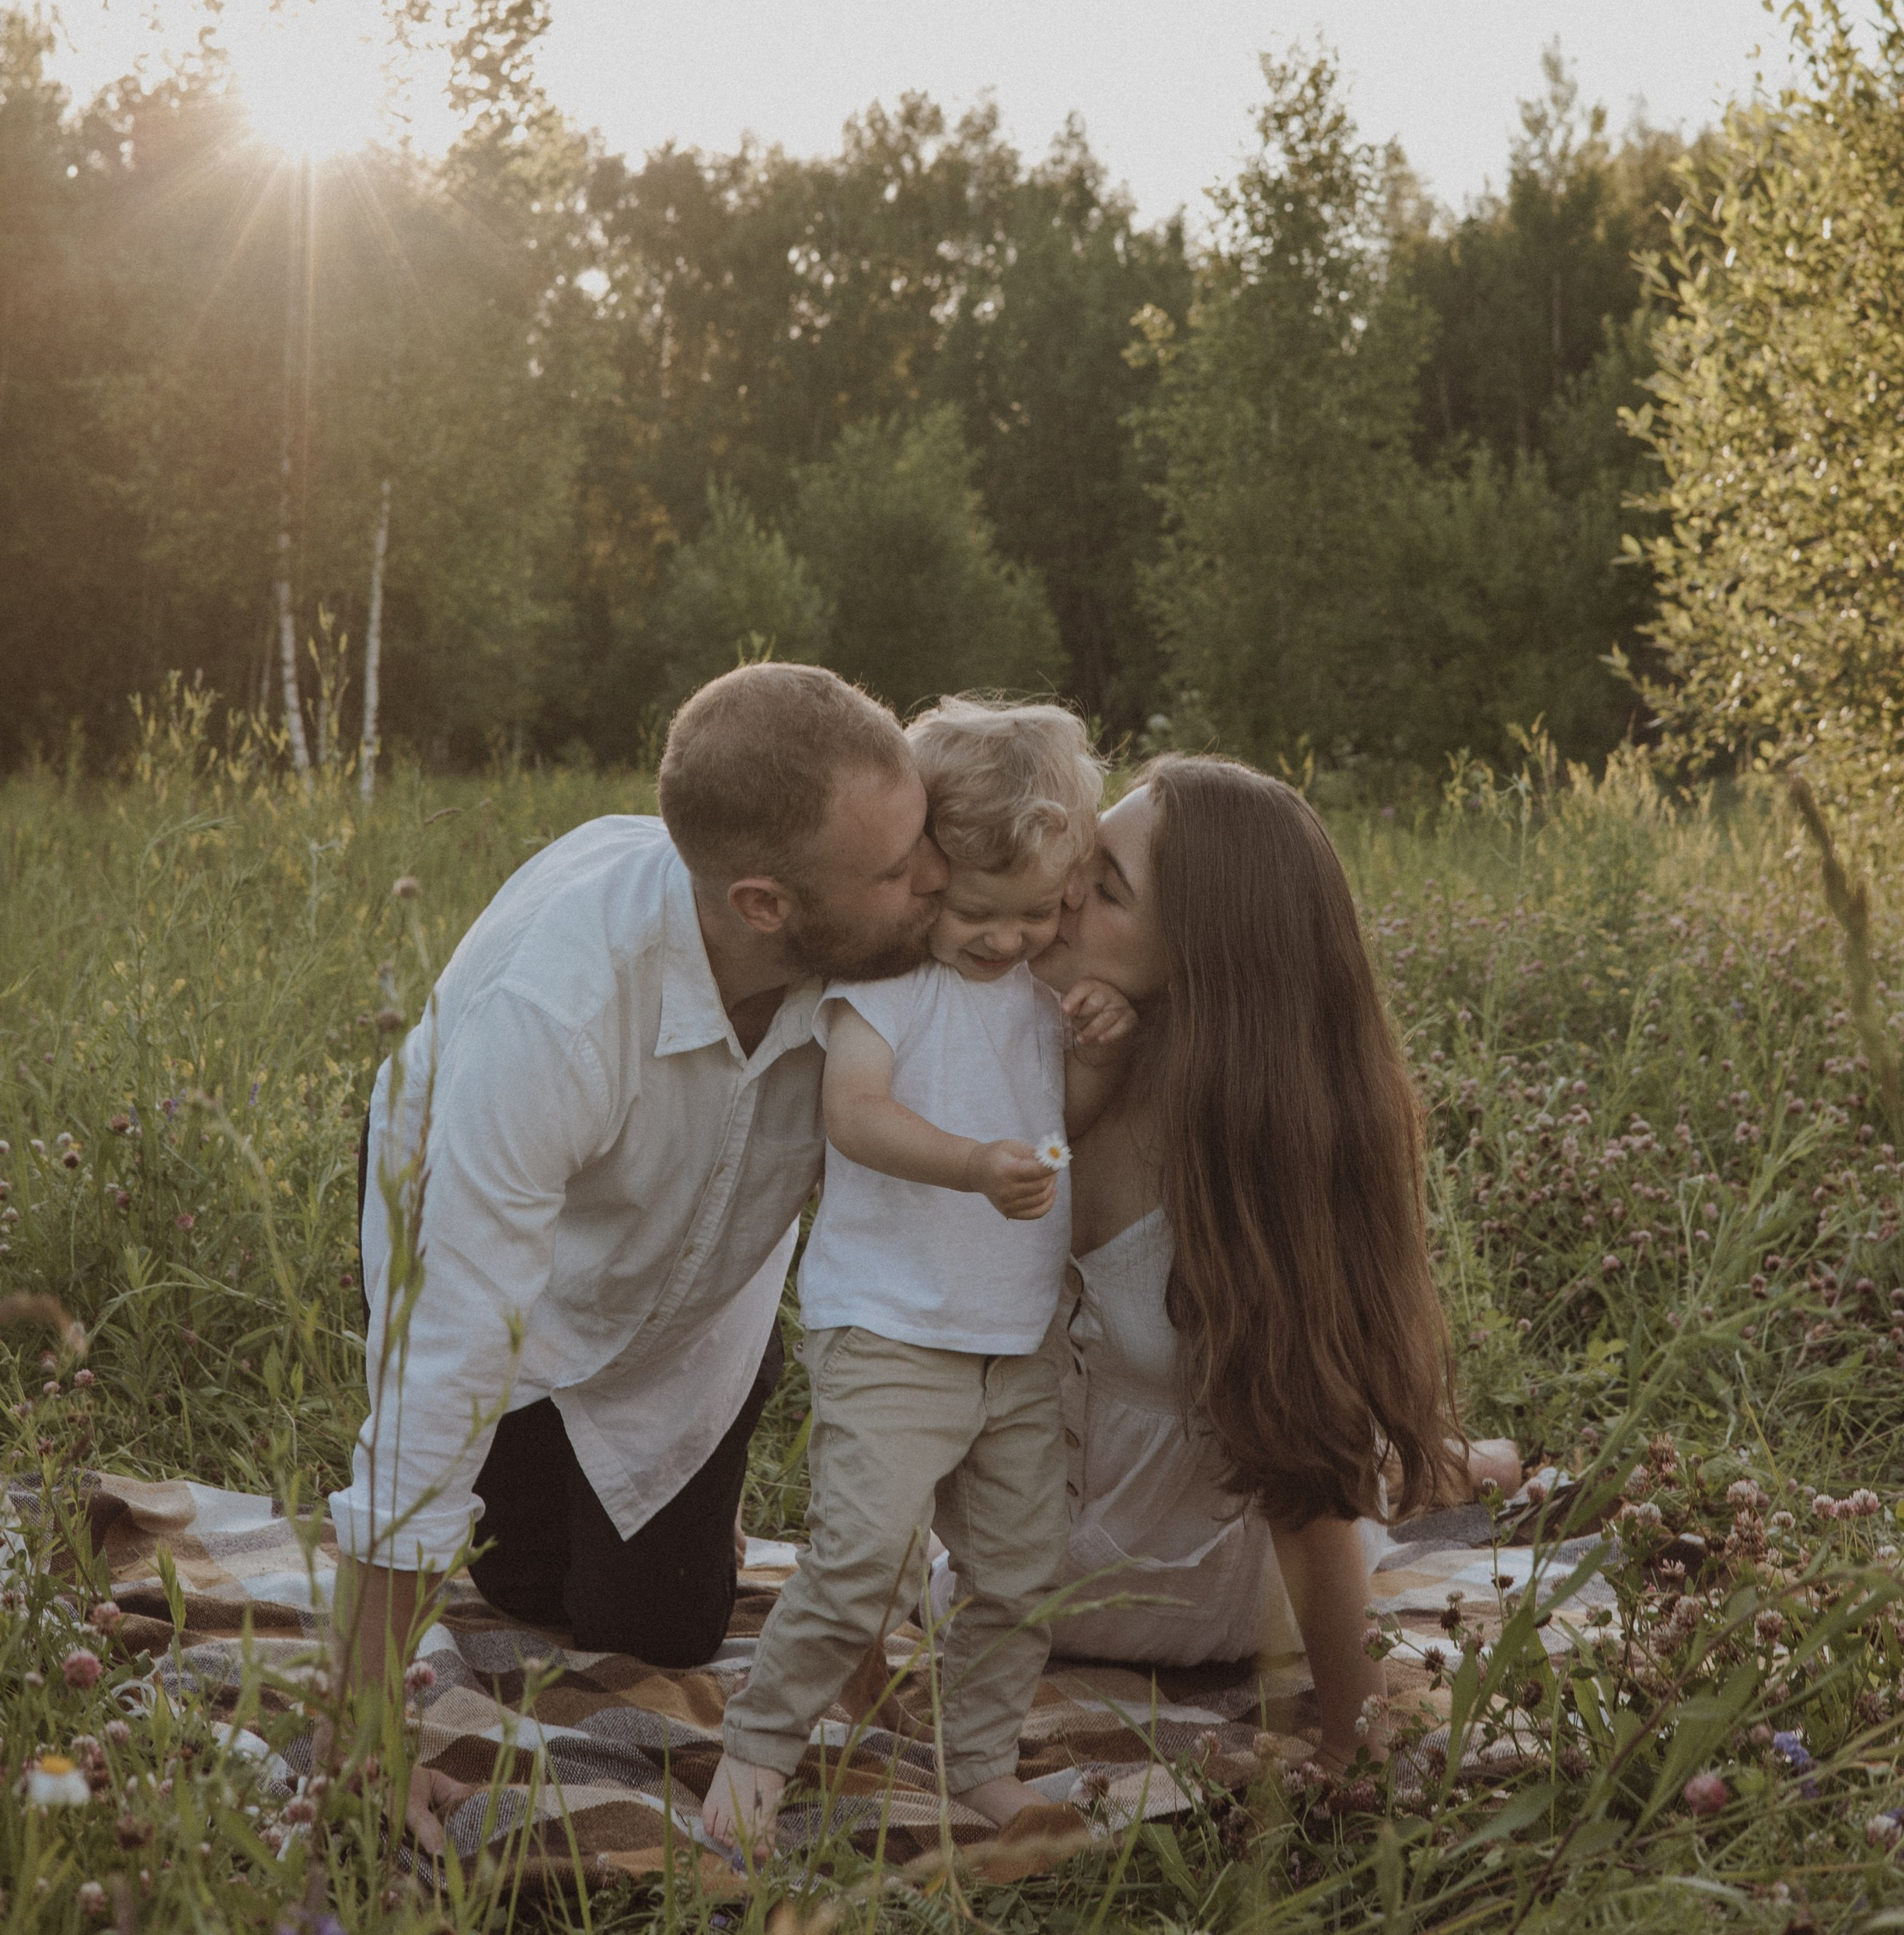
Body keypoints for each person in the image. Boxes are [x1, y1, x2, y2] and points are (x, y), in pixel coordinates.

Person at [330, 661, 947, 1853]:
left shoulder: (890, 956)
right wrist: (368, 1727)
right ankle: (548, 1472)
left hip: (701, 1299)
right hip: (510, 1264)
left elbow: (910, 1283)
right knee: (518, 1583)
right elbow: (449, 1353)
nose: (932, 878)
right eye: (892, 871)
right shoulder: (554, 1013)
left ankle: (688, 1495)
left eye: (920, 836)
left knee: (660, 1629)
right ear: (765, 905)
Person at [706, 699, 1135, 1853]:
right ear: (927, 868)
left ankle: (978, 1758)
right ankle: (758, 1748)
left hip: (1015, 1338)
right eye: (978, 911)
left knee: (1020, 1573)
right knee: (862, 1559)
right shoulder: (889, 984)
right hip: (892, 1325)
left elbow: (1060, 1118)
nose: (1007, 939)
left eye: (1038, 913)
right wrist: (972, 1166)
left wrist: (1099, 1055)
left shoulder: (1042, 994)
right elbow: (855, 1114)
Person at [1030, 755, 1517, 1764]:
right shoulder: (1037, 1042)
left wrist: (1350, 1739)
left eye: (1106, 888)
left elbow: (1303, 1478)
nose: (1064, 894)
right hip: (1003, 1573)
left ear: (1201, 957)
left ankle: (1430, 1467)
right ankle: (1438, 1463)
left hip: (1182, 1604)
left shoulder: (1245, 1162)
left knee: (1326, 1441)